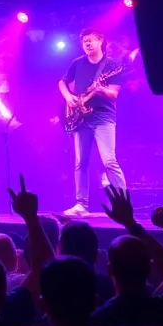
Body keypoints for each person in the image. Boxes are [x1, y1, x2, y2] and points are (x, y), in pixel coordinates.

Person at [59, 29, 126, 216]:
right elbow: (62, 82)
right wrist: (69, 98)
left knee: (109, 161)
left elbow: (114, 94)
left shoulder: (113, 65)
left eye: (91, 41)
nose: (87, 44)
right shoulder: (77, 63)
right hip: (80, 118)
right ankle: (81, 205)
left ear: (100, 41)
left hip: (103, 118)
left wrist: (101, 89)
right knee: (81, 162)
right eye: (84, 41)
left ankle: (123, 204)